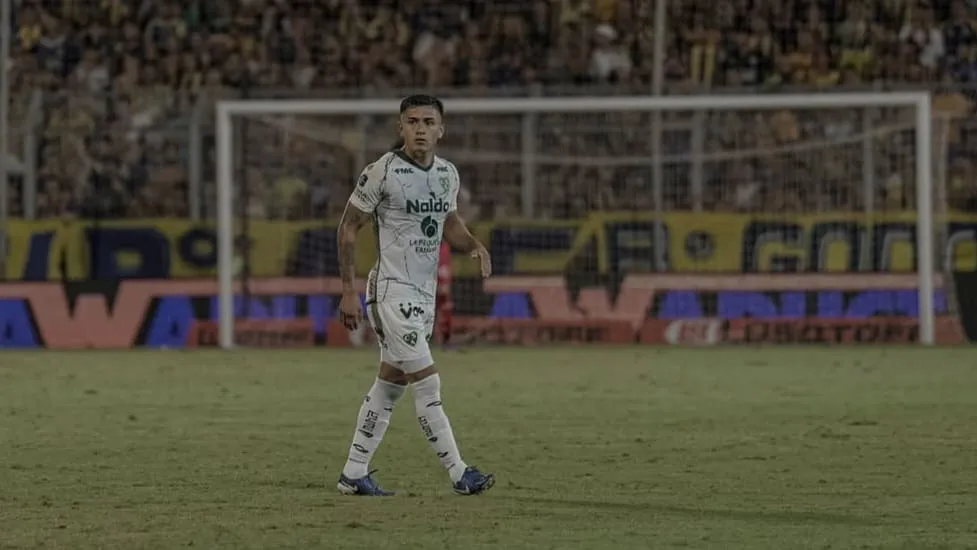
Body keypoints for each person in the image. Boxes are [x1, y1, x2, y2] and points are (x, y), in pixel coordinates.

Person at [334, 95, 496, 496]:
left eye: (428, 121)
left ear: (441, 129)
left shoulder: (447, 174)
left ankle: (354, 472)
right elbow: (348, 228)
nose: (420, 129)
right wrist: (348, 291)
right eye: (412, 121)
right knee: (427, 383)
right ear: (400, 128)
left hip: (422, 296)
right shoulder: (382, 172)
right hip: (390, 291)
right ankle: (460, 474)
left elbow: (449, 221)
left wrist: (473, 243)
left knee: (390, 383)